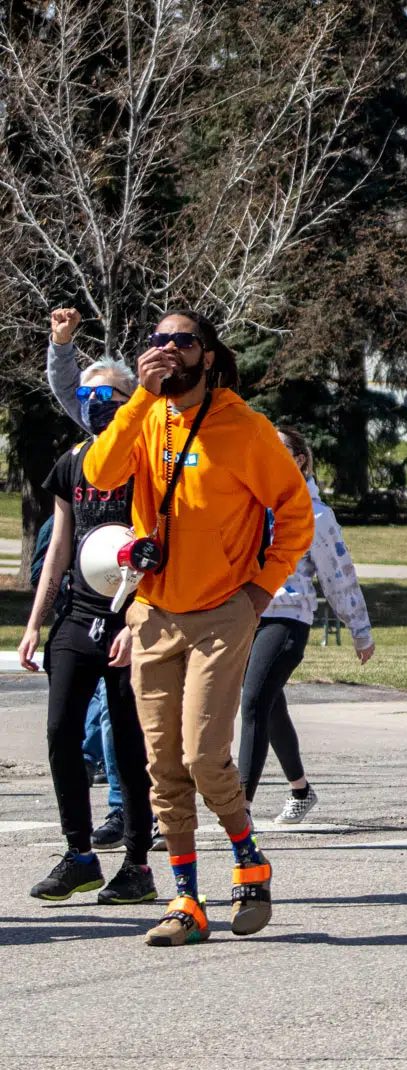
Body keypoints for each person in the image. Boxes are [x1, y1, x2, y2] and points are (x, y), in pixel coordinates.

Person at [86, 310, 314, 946]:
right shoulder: (146, 415)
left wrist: (257, 592)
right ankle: (186, 901)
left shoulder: (244, 428)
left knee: (201, 754)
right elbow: (100, 475)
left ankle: (248, 855)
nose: (168, 351)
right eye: (157, 341)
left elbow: (295, 514)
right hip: (153, 611)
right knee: (163, 766)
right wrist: (137, 396)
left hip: (222, 613)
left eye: (182, 341)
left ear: (208, 356)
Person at [19, 310, 156, 904]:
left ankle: (136, 865)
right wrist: (34, 622)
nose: (97, 401)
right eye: (90, 393)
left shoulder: (150, 459)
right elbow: (59, 550)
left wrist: (140, 618)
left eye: (111, 393)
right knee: (59, 734)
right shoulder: (74, 461)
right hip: (76, 616)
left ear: (134, 403)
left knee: (129, 744)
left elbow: (162, 546)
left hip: (132, 618)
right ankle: (79, 853)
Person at [240, 428, 376, 823]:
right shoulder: (249, 504)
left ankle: (240, 808)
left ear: (299, 460)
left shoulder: (317, 514)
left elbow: (338, 575)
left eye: (278, 449)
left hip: (286, 616)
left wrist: (359, 628)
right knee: (267, 705)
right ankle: (300, 789)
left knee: (252, 703)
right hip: (245, 615)